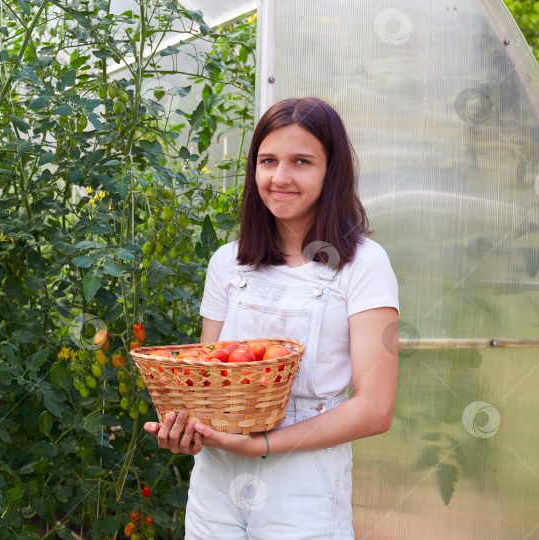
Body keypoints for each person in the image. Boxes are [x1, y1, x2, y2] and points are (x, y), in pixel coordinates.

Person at [143, 97, 399, 539]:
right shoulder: (229, 263)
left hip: (302, 484)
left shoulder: (362, 265)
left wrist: (260, 445)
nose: (280, 177)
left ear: (331, 170)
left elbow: (375, 409)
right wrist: (187, 431)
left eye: (301, 161)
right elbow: (210, 385)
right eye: (268, 161)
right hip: (217, 482)